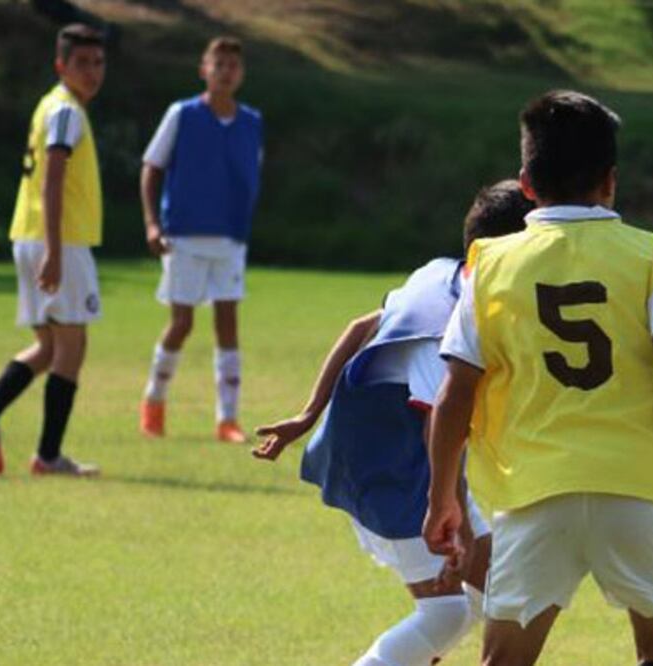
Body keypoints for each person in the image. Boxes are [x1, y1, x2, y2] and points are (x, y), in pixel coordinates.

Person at [423, 90, 653, 666]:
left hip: (534, 490)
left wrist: (442, 495)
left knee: (504, 660)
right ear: (611, 181)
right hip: (638, 483)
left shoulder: (489, 265)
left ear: (527, 184)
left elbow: (456, 391)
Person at [252, 180, 532, 666]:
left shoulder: (439, 273)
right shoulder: (446, 325)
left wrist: (308, 414)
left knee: (497, 590)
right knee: (446, 613)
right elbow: (438, 422)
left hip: (413, 467)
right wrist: (456, 520)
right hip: (388, 475)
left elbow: (361, 327)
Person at [138, 36, 263, 443]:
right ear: (203, 70)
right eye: (218, 64)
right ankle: (154, 401)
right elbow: (152, 166)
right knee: (182, 323)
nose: (226, 72)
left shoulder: (251, 122)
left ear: (241, 74)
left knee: (228, 323)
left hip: (231, 237)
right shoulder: (183, 114)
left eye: (233, 65)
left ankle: (228, 419)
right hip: (184, 235)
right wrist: (152, 224)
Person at [0, 24, 106, 477]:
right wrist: (56, 252)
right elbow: (53, 179)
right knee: (71, 347)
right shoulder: (66, 111)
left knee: (46, 348)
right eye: (82, 63)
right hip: (58, 240)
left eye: (98, 62)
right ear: (61, 65)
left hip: (31, 235)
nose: (92, 72)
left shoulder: (51, 104)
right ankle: (48, 456)